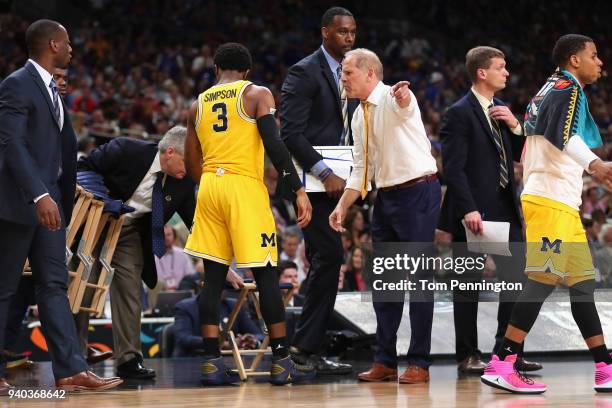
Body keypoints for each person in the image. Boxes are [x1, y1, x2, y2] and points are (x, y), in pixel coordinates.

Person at [481, 34, 612, 394]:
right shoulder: (566, 88)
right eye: (594, 55)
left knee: (582, 287)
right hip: (550, 200)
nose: (599, 62)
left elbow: (541, 137)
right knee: (542, 278)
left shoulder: (550, 89)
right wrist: (595, 165)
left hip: (559, 202)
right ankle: (502, 362)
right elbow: (563, 135)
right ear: (574, 60)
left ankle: (604, 366)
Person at [0, 19, 122, 392]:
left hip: (51, 203)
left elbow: (56, 146)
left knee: (53, 285)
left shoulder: (51, 89)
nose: (72, 49)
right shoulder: (15, 84)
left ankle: (70, 369)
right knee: (3, 288)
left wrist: (55, 197)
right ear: (53, 44)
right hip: (21, 202)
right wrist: (40, 194)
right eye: (68, 43)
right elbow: (12, 146)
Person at [183, 42, 314, 386]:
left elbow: (190, 163)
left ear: (216, 70)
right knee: (266, 273)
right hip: (244, 186)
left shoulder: (196, 105)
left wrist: (212, 182)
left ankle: (212, 361)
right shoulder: (256, 94)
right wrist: (297, 189)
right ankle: (282, 360)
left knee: (212, 277)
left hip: (210, 186)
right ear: (246, 71)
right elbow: (274, 143)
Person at [329, 48, 440, 384]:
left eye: (348, 72)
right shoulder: (357, 113)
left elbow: (403, 106)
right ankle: (386, 360)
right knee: (385, 283)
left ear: (370, 74)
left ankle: (419, 362)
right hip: (386, 198)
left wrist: (404, 96)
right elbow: (362, 169)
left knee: (419, 280)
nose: (343, 78)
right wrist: (343, 205)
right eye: (342, 73)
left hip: (418, 192)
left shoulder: (394, 97)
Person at [438, 46, 541, 374]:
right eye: (500, 67)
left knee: (518, 282)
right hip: (475, 212)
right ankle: (467, 355)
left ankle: (507, 352)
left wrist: (515, 125)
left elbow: (519, 155)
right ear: (482, 73)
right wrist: (468, 209)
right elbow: (453, 168)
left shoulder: (501, 110)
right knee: (468, 286)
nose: (507, 73)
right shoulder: (459, 112)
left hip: (505, 208)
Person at [77, 126, 196, 379]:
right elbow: (84, 167)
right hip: (96, 219)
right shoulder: (126, 150)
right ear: (171, 152)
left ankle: (129, 360)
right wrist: (102, 197)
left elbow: (196, 224)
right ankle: (75, 358)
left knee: (130, 290)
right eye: (188, 161)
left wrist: (221, 262)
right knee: (84, 289)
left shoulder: (183, 182)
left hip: (130, 231)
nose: (191, 168)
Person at [279, 6, 357, 375]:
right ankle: (303, 347)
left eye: (353, 32)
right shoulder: (304, 71)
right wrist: (324, 173)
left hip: (340, 182)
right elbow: (290, 133)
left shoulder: (352, 72)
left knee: (328, 259)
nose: (349, 38)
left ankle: (307, 346)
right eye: (343, 32)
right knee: (328, 257)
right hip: (312, 184)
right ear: (325, 32)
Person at [148, 225, 196, 308]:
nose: (166, 238)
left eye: (169, 235)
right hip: (160, 294)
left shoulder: (182, 254)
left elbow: (191, 275)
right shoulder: (152, 257)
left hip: (181, 293)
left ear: (174, 236)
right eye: (163, 235)